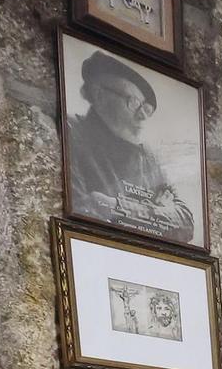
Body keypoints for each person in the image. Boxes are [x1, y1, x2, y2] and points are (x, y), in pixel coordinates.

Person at [66, 48, 196, 244]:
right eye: (133, 102)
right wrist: (158, 213)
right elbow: (84, 207)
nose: (143, 115)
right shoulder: (72, 131)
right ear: (99, 95)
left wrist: (116, 207)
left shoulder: (149, 158)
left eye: (147, 108)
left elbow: (186, 222)